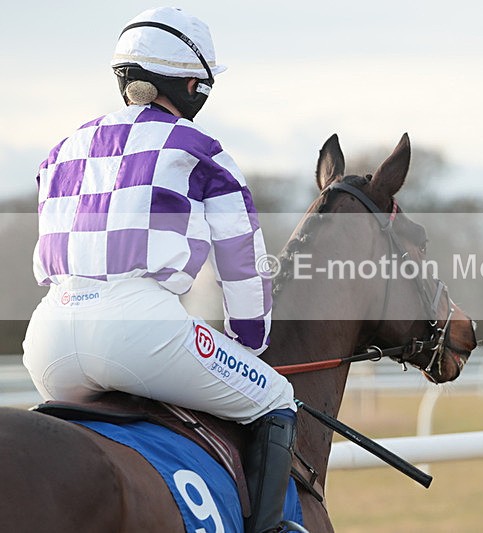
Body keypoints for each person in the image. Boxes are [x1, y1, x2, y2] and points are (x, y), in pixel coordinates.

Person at [23, 7, 294, 533]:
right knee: (277, 396)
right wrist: (249, 344)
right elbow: (242, 265)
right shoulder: (202, 150)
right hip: (139, 326)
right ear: (192, 85)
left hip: (48, 337)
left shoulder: (61, 150)